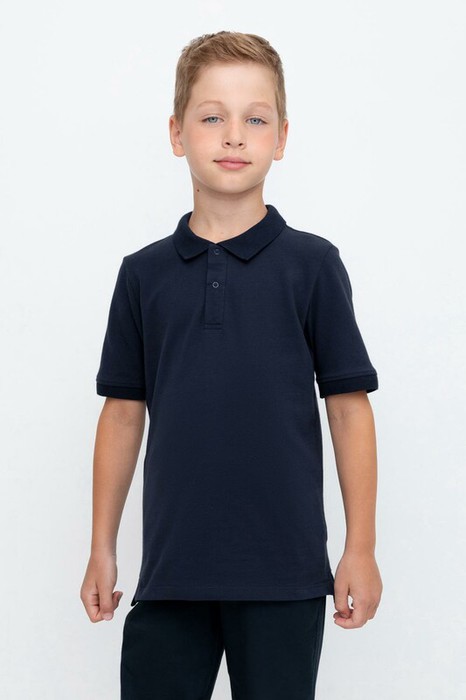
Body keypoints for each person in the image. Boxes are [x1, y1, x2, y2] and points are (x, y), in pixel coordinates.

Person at [80, 30, 383, 700]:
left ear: (282, 137)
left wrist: (359, 547)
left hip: (285, 577)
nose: (234, 136)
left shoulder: (312, 265)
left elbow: (347, 408)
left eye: (256, 119)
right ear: (177, 133)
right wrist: (102, 546)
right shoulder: (143, 275)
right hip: (171, 577)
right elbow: (123, 414)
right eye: (213, 117)